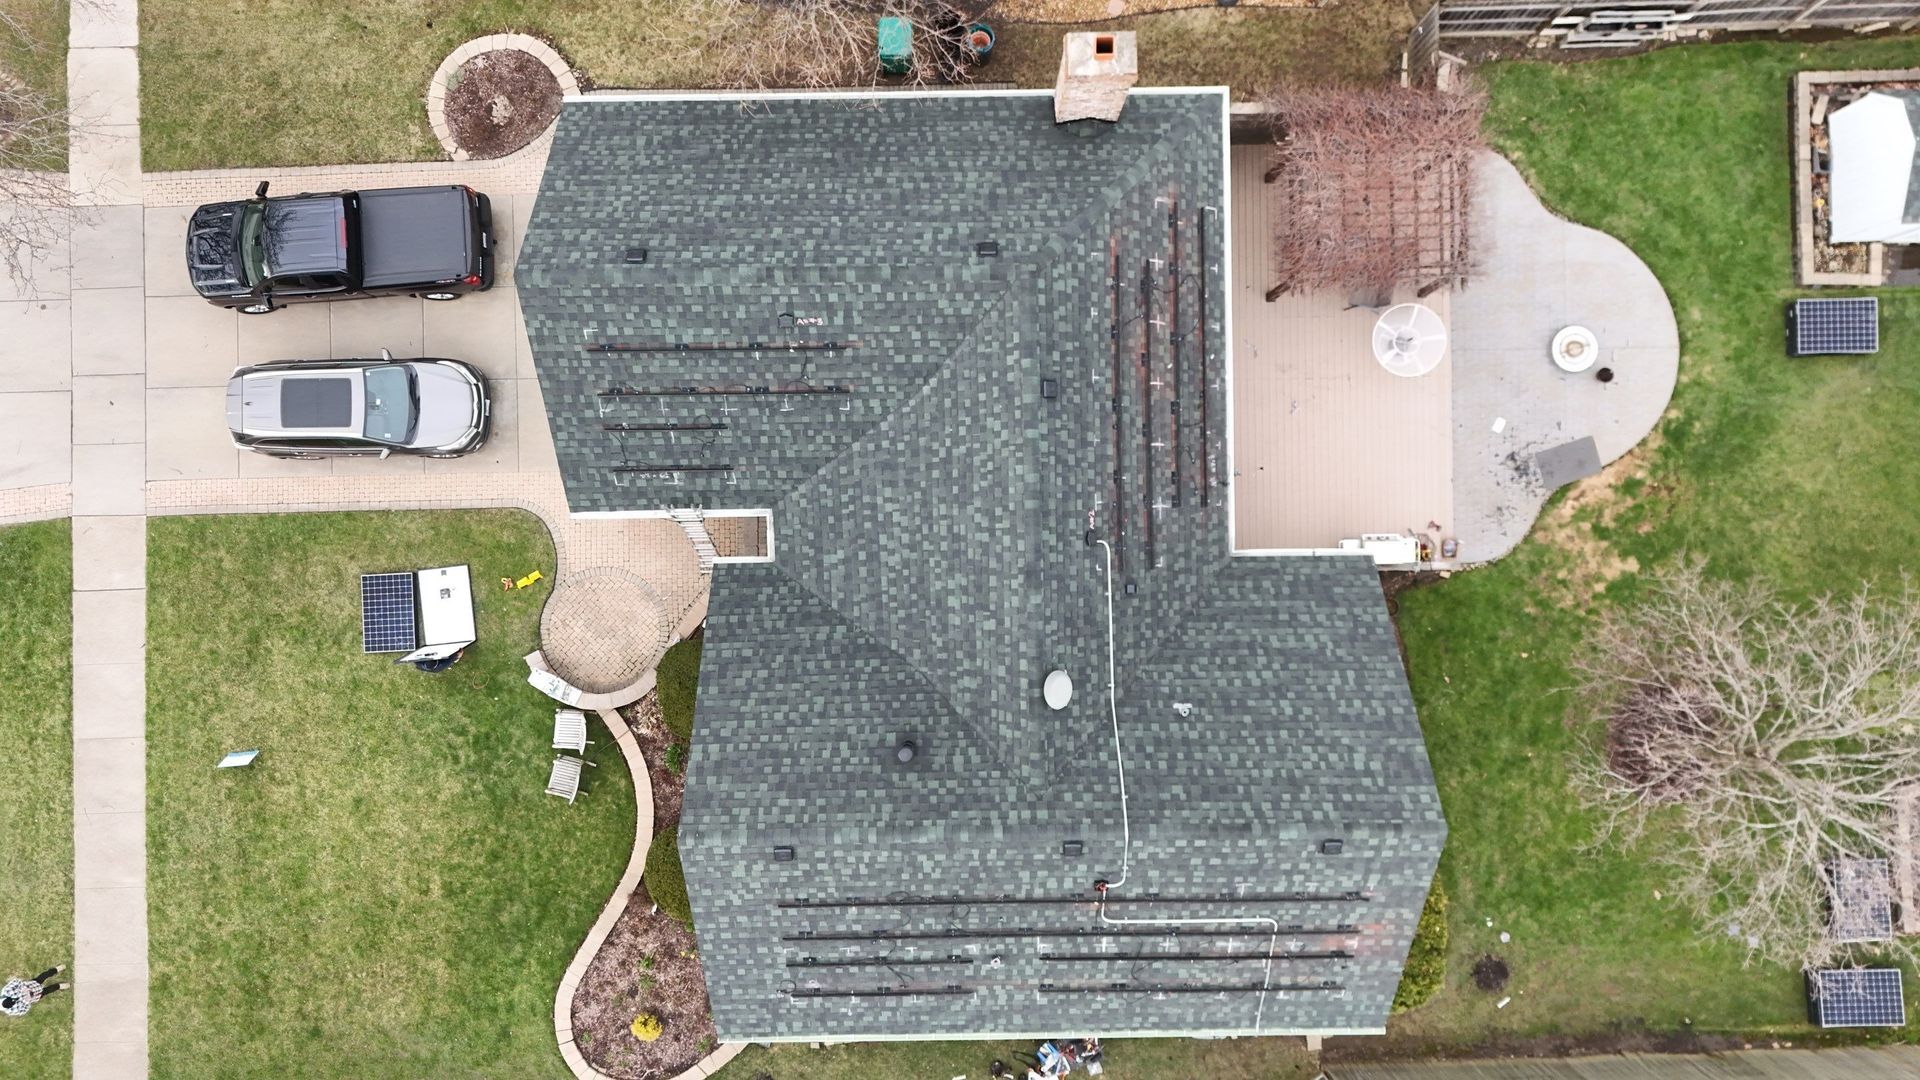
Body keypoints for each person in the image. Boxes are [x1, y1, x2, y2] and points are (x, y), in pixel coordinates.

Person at [1, 965, 66, 1018]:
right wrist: (27, 1002)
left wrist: (24, 988)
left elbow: (16, 981)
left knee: (44, 976)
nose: (13, 1001)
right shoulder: (11, 1011)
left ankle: (57, 969)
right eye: (13, 1003)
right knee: (48, 990)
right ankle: (60, 986)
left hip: (32, 984)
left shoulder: (6, 991)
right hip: (36, 996)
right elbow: (24, 1011)